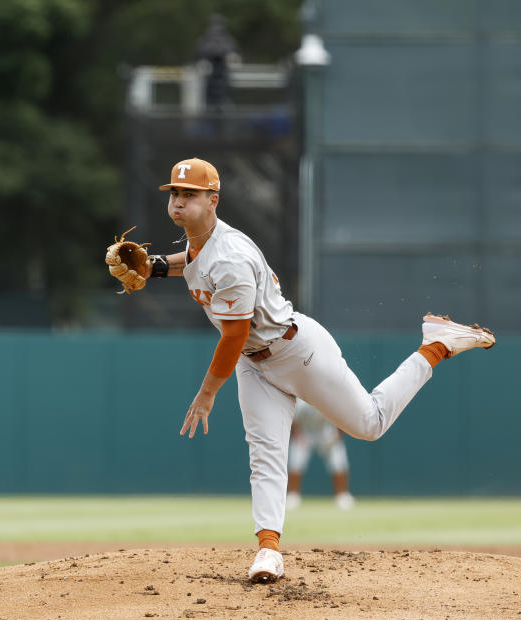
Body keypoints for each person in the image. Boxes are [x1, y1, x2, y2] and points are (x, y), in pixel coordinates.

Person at [111, 157, 495, 584]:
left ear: (213, 200)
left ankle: (436, 345)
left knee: (369, 424)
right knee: (265, 456)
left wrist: (206, 394)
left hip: (296, 351)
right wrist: (158, 266)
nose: (179, 201)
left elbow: (233, 335)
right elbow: (195, 259)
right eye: (175, 194)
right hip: (255, 365)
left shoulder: (232, 258)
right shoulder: (204, 242)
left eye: (190, 194)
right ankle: (268, 551)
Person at [286, 398, 355, 511]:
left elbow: (341, 420)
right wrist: (298, 436)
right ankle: (292, 495)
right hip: (306, 433)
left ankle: (342, 496)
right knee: (295, 461)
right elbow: (294, 420)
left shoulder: (330, 400)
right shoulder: (302, 401)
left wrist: (336, 436)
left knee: (338, 462)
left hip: (327, 433)